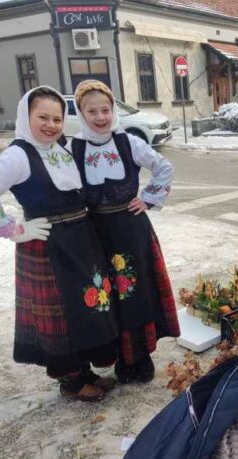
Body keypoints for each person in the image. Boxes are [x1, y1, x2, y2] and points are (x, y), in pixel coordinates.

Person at [0, 86, 119, 402]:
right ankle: (71, 382)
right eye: (42, 117)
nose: (51, 125)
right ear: (26, 117)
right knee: (61, 313)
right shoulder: (19, 154)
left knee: (85, 308)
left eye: (57, 118)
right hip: (47, 245)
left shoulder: (58, 148)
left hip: (80, 240)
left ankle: (85, 372)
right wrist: (13, 230)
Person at [71, 80, 180, 384]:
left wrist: (148, 198)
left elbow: (163, 167)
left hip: (131, 229)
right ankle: (120, 356)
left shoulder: (127, 142)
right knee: (106, 296)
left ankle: (140, 357)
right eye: (92, 111)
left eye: (105, 109)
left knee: (136, 291)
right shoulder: (73, 148)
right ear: (81, 113)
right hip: (96, 234)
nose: (100, 116)